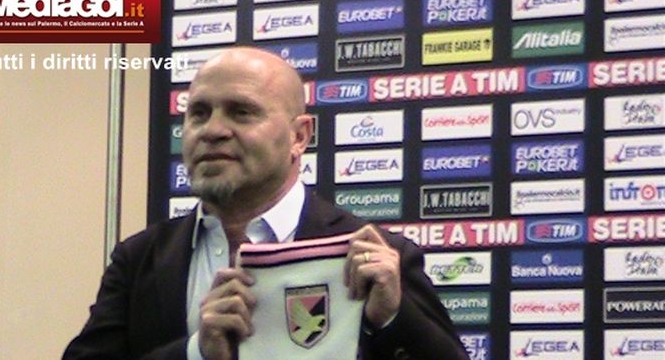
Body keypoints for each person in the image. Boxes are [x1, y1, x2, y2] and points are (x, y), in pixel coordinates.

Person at [63, 47, 469, 360]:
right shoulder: (139, 260)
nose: (213, 130)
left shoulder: (378, 257)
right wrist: (196, 352)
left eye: (241, 112)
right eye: (199, 113)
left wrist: (394, 319)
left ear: (299, 137)